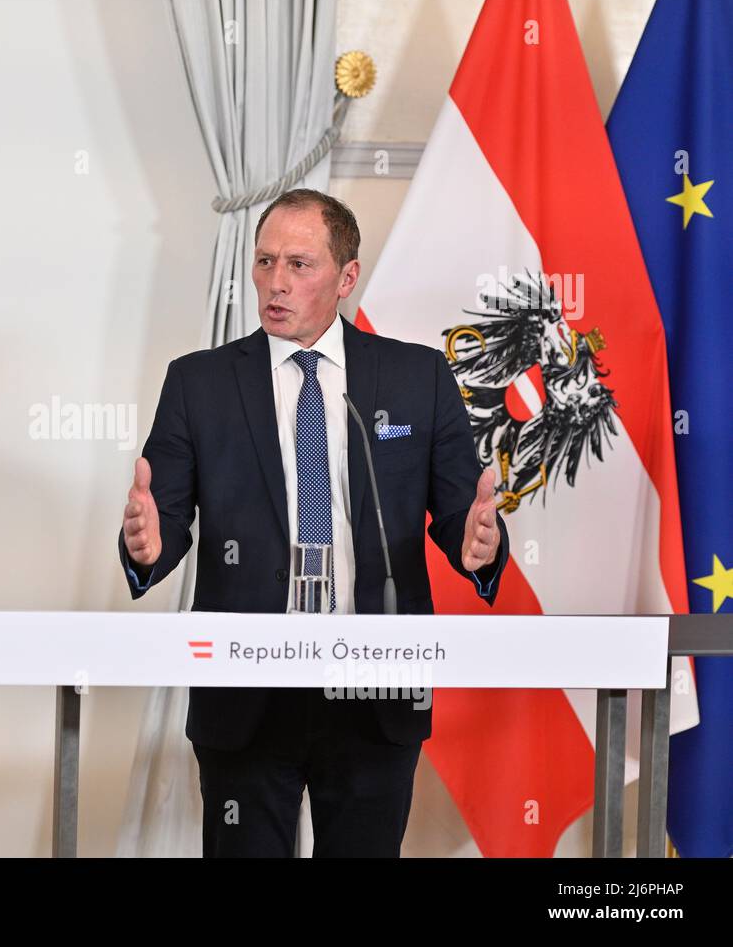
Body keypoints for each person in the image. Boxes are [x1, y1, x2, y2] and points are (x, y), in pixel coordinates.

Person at [117, 188, 510, 857]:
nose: (275, 282)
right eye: (265, 262)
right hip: (247, 691)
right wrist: (146, 545)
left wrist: (479, 546)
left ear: (346, 277)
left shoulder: (416, 377)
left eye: (299, 264)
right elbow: (165, 518)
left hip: (375, 686)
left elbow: (457, 514)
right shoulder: (199, 383)